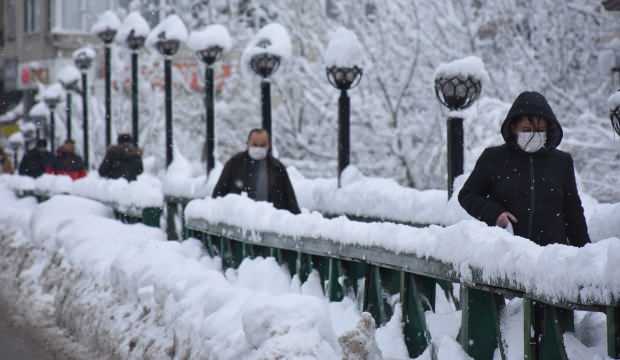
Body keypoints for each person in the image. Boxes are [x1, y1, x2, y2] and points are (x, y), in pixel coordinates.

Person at [458, 91, 589, 357]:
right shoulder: (494, 158)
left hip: (553, 265)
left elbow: (573, 212)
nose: (533, 134)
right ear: (513, 127)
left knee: (555, 340)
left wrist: (586, 256)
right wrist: (496, 213)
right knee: (510, 341)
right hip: (508, 264)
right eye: (527, 129)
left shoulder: (561, 162)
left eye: (540, 129)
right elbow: (467, 195)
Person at [213, 128, 300, 214]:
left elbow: (290, 199)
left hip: (270, 221)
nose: (258, 148)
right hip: (239, 219)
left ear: (268, 145)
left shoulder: (277, 168)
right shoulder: (235, 164)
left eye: (262, 145)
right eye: (255, 144)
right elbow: (219, 193)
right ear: (248, 143)